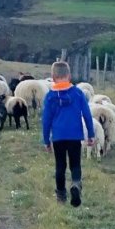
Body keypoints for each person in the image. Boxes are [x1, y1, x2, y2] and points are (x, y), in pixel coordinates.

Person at [42, 60, 95, 207]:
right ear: (69, 75)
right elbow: (87, 114)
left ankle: (61, 196)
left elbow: (46, 120)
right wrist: (90, 134)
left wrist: (46, 140)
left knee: (60, 165)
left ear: (53, 77)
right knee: (75, 164)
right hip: (74, 136)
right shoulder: (78, 93)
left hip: (58, 137)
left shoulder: (50, 97)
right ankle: (76, 184)